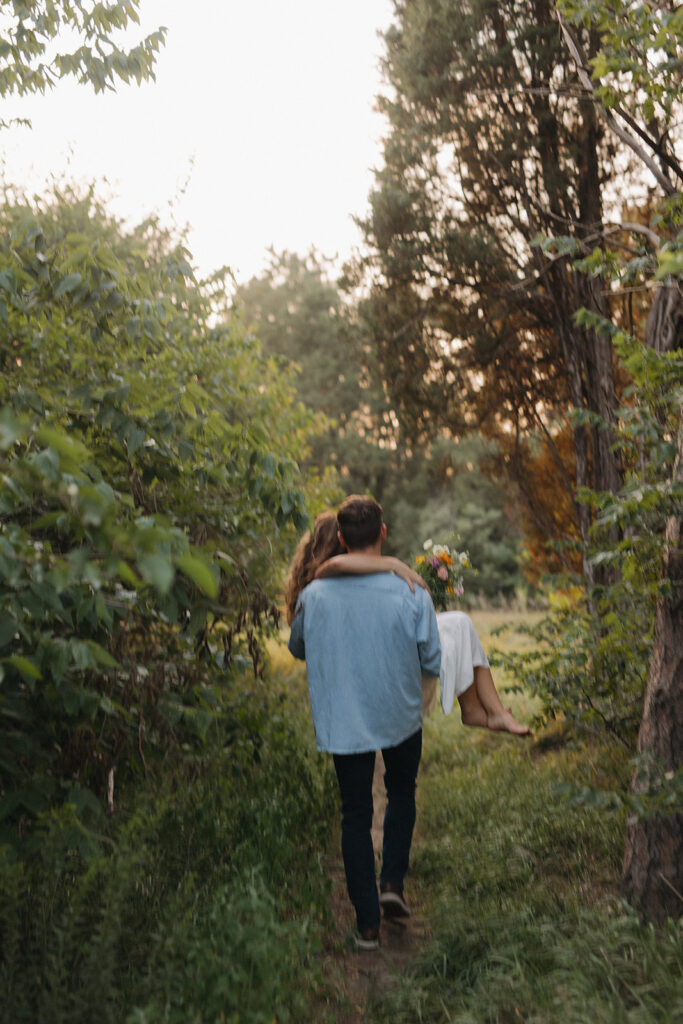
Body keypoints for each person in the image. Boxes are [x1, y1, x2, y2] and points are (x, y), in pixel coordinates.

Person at [287, 497, 441, 951]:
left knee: (354, 814)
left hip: (346, 718)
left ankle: (367, 924)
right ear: (383, 534)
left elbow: (298, 648)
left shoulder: (313, 595)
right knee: (401, 792)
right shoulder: (413, 591)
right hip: (399, 712)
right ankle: (391, 881)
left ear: (339, 539)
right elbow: (431, 657)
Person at [285, 512, 530, 736]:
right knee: (454, 628)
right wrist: (393, 564)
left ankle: (483, 710)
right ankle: (483, 711)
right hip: (387, 654)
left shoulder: (331, 580)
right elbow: (336, 567)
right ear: (341, 541)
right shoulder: (330, 577)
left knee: (460, 623)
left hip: (389, 643)